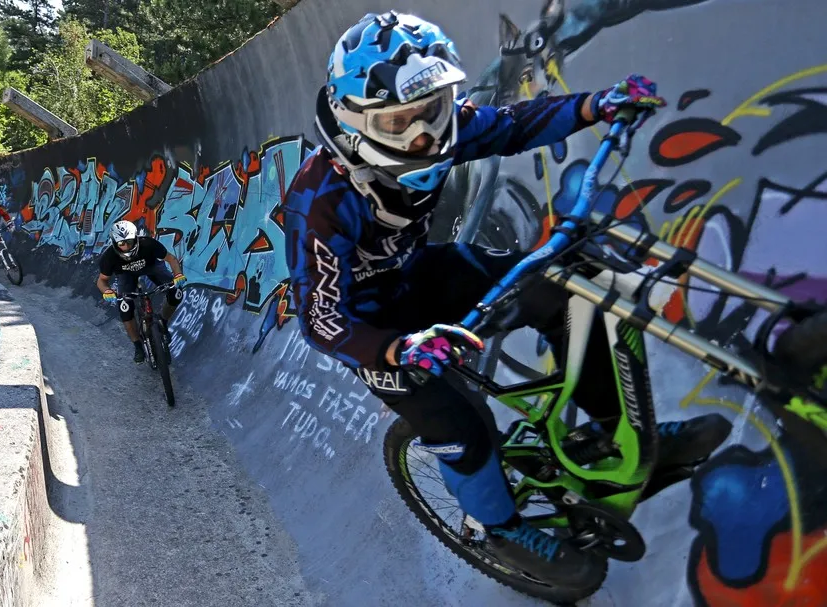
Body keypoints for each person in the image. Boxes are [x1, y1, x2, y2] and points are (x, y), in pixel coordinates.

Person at [283, 11, 731, 585]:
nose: (423, 136)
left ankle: (618, 435)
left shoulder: (443, 128)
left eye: (432, 112)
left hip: (421, 273)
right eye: (400, 122)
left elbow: (516, 123)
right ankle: (498, 527)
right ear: (354, 122)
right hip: (375, 326)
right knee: (461, 425)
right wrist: (397, 351)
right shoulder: (317, 201)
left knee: (565, 293)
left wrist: (598, 104)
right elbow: (321, 321)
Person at [96, 220, 188, 363]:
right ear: (114, 243)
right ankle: (137, 345)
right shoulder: (109, 256)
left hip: (152, 267)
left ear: (136, 239)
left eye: (130, 242)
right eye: (121, 244)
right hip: (126, 275)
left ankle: (163, 322)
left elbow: (172, 259)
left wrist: (177, 274)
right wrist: (107, 291)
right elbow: (101, 281)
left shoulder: (148, 244)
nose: (126, 247)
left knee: (176, 292)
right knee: (124, 308)